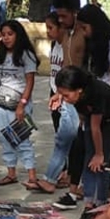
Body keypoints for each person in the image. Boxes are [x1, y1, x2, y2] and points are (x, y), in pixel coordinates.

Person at [53, 66, 110, 219]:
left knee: (100, 164)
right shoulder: (76, 97)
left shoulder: (96, 93)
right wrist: (81, 122)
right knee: (88, 162)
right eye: (61, 95)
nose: (64, 99)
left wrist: (99, 154)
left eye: (66, 95)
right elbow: (84, 116)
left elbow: (95, 127)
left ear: (79, 90)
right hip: (92, 120)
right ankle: (88, 206)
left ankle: (100, 204)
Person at [0, 19, 39, 187]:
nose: (6, 38)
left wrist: (22, 105)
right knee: (4, 138)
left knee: (22, 138)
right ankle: (11, 173)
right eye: (3, 34)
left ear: (18, 35)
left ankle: (32, 175)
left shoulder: (26, 55)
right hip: (0, 103)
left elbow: (30, 82)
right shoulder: (1, 54)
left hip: (19, 103)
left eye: (10, 34)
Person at [32, 12, 78, 195]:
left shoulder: (68, 45)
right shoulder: (54, 45)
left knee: (66, 137)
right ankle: (63, 171)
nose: (48, 31)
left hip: (64, 94)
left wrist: (60, 93)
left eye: (51, 28)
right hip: (56, 91)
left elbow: (67, 70)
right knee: (60, 133)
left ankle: (67, 174)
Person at [51, 0, 89, 211]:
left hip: (84, 94)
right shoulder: (66, 34)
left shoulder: (85, 34)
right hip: (69, 93)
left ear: (75, 13)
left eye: (64, 16)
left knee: (87, 142)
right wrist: (59, 92)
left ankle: (90, 189)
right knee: (75, 142)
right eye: (58, 16)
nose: (61, 20)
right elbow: (66, 64)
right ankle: (76, 186)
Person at [77, 4, 110, 92]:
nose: (83, 33)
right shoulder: (90, 43)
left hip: (106, 98)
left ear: (95, 25)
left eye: (84, 28)